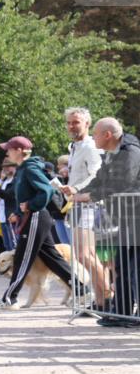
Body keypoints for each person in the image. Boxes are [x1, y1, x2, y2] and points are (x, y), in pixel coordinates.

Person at [0, 136, 83, 310]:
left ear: (19, 150)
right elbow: (27, 195)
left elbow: (46, 190)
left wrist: (31, 206)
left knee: (22, 258)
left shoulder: (29, 167)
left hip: (36, 217)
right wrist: (19, 212)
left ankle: (9, 299)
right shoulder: (24, 169)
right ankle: (82, 289)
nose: (7, 152)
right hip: (35, 217)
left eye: (9, 149)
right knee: (53, 258)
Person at [72, 117, 140, 326]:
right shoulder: (113, 152)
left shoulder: (130, 152)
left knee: (135, 268)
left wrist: (92, 197)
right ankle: (121, 312)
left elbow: (123, 182)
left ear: (107, 135)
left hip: (136, 216)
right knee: (121, 266)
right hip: (128, 218)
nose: (92, 136)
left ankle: (131, 316)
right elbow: (100, 178)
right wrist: (78, 191)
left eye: (95, 133)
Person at [57, 107, 108, 309]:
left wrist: (76, 188)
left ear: (87, 123)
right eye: (69, 122)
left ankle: (108, 297)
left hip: (88, 204)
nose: (71, 126)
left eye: (76, 122)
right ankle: (101, 300)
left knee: (86, 255)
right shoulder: (75, 147)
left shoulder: (89, 146)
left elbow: (96, 175)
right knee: (83, 256)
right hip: (76, 204)